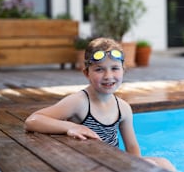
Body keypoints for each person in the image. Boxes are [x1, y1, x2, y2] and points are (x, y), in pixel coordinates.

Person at [24, 37, 176, 172]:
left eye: (115, 68)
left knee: (163, 163)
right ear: (86, 73)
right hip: (90, 165)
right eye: (99, 69)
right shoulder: (80, 102)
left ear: (123, 70)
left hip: (114, 163)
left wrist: (138, 166)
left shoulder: (123, 108)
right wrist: (71, 127)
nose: (108, 76)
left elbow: (132, 147)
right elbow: (33, 121)